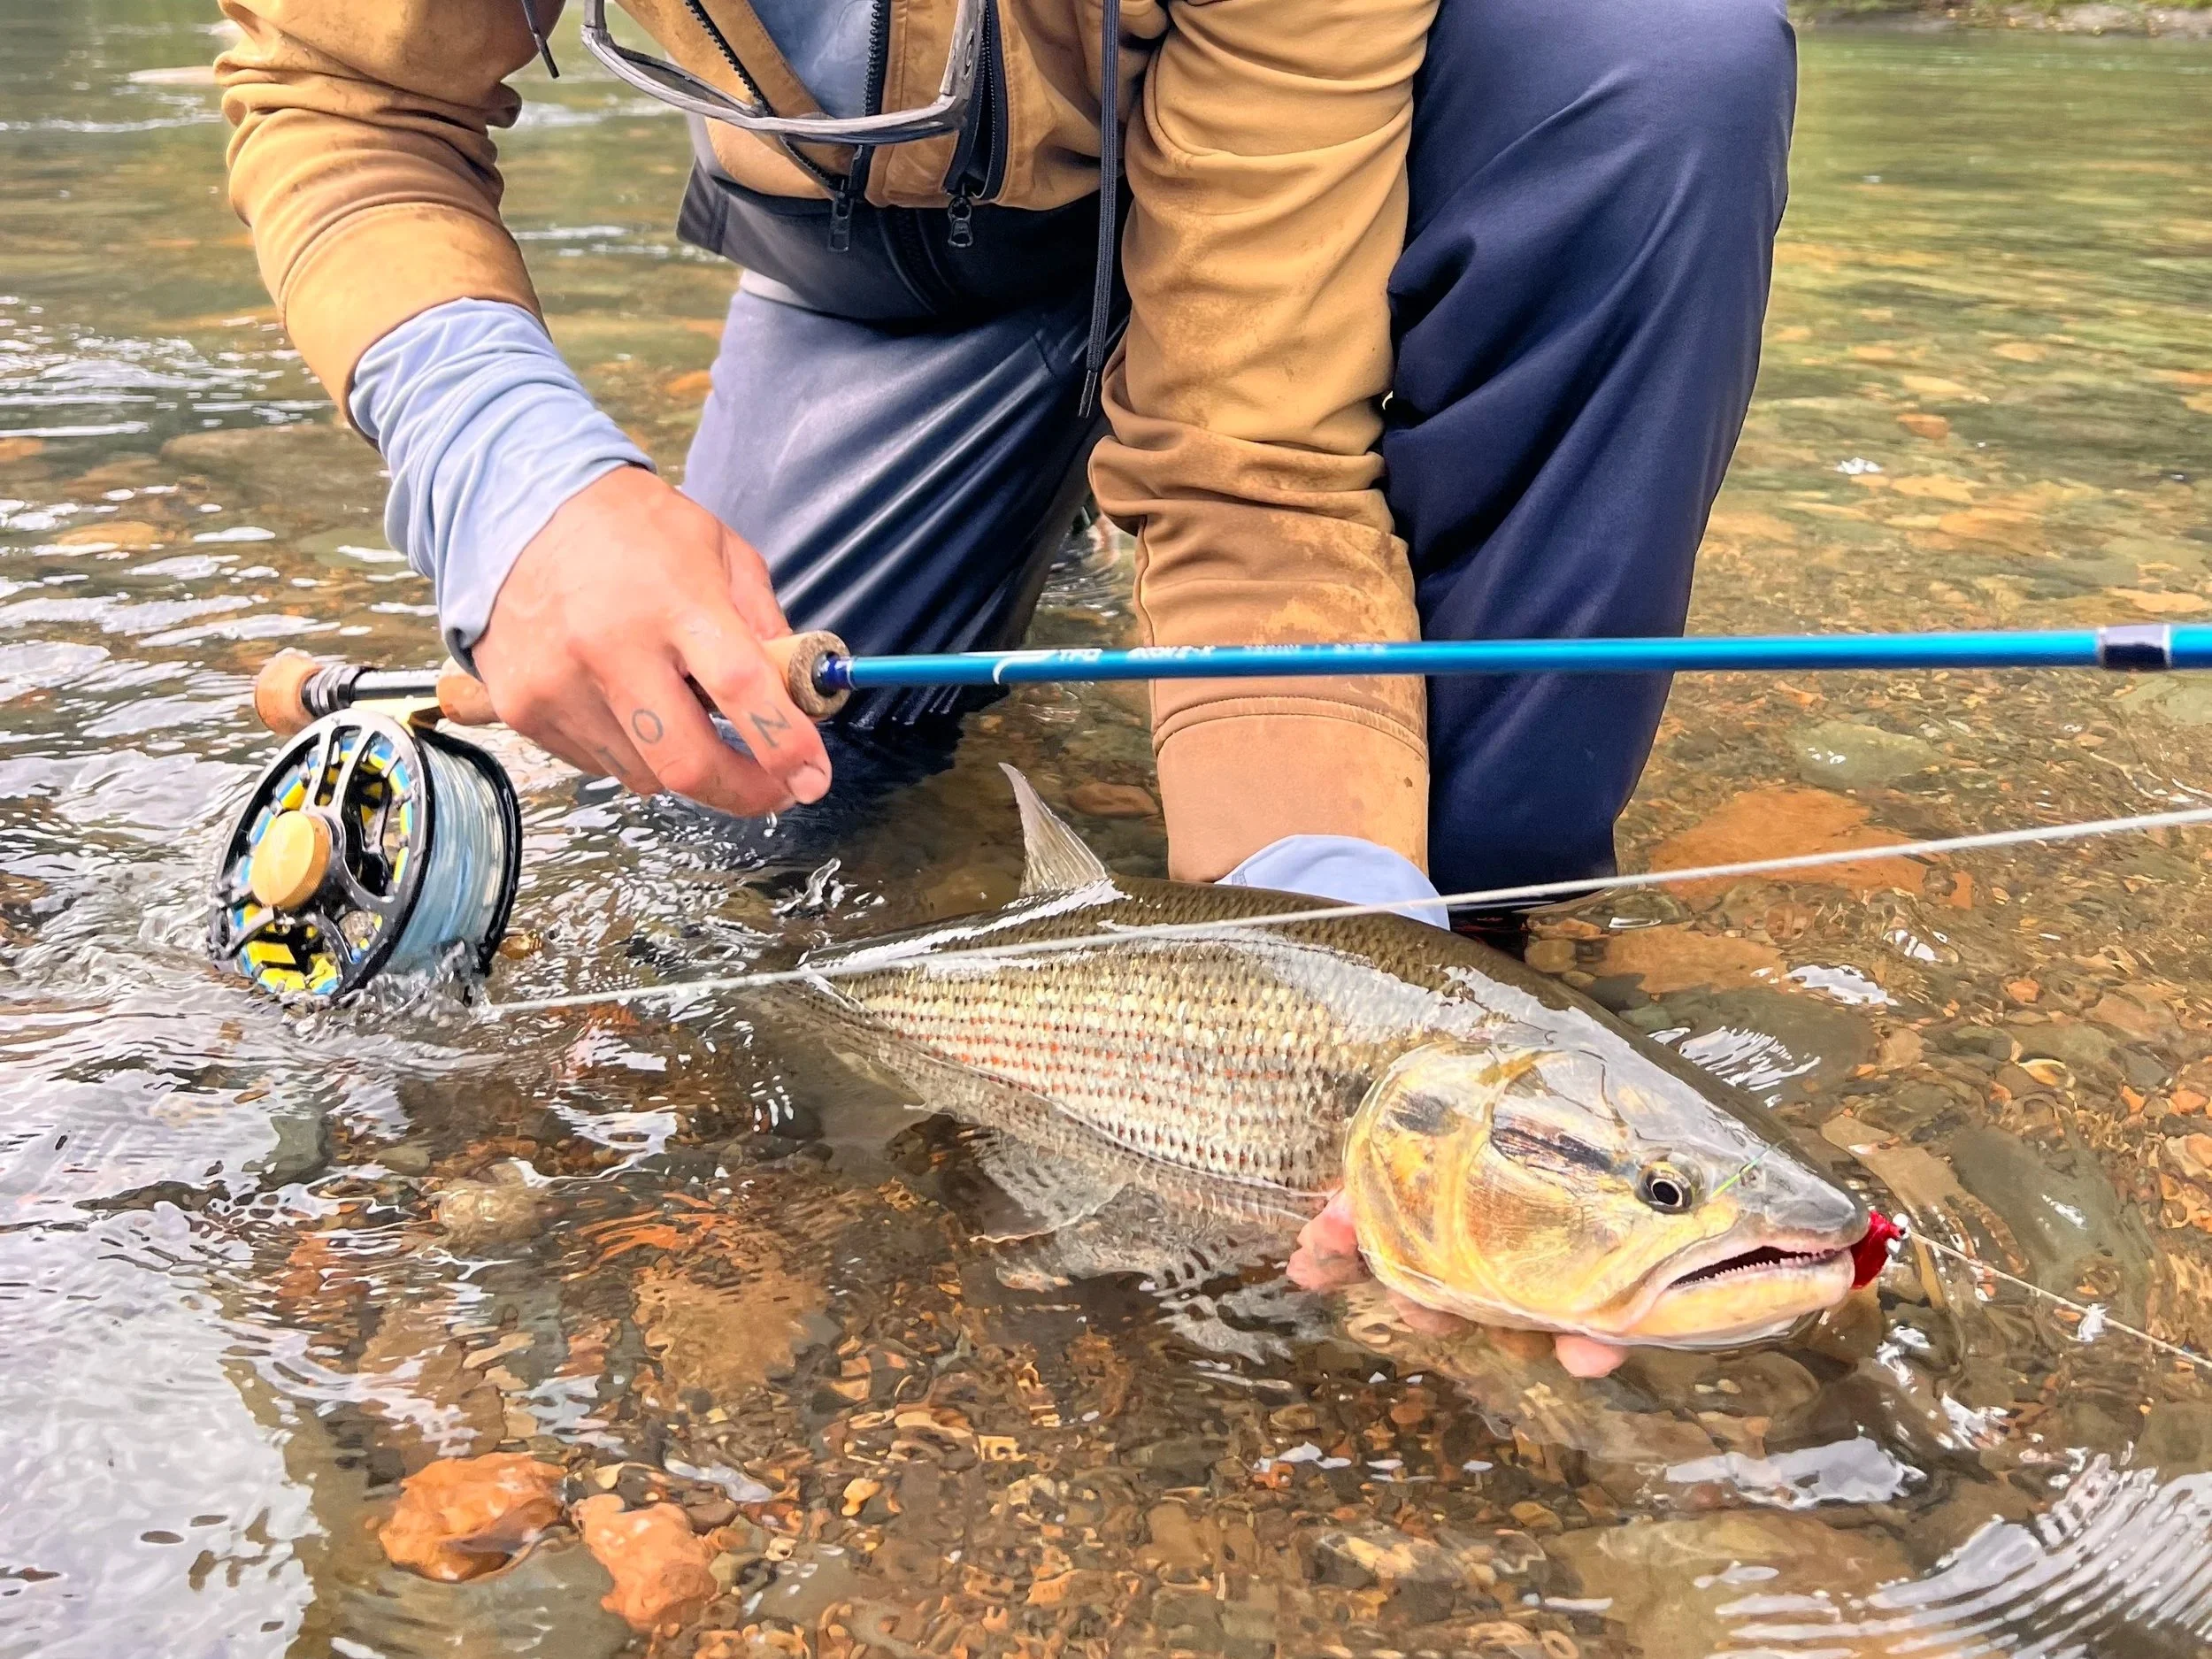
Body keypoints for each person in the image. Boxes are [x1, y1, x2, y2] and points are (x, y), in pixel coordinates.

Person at [216, 0, 1798, 1374]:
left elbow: (1253, 466)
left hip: (1282, 227)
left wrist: (1332, 911)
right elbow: (348, 95)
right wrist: (521, 482)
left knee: (1665, 50)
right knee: (735, 795)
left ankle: (1485, 909)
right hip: (874, 284)